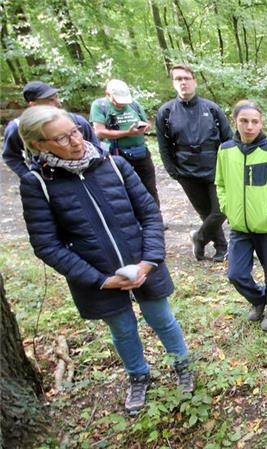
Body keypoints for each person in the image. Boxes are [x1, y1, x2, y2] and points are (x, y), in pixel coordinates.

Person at [16, 106, 193, 415]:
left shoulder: (115, 164)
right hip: (97, 275)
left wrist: (148, 261)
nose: (75, 141)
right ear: (39, 145)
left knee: (162, 318)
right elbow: (46, 244)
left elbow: (149, 215)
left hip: (142, 262)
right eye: (61, 138)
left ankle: (182, 364)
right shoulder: (38, 184)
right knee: (123, 328)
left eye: (74, 131)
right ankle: (138, 376)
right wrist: (101, 280)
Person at [216, 100, 267, 331]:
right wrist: (227, 207)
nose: (249, 126)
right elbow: (220, 184)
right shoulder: (225, 150)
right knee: (235, 273)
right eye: (244, 121)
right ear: (235, 122)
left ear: (261, 123)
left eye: (254, 122)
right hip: (239, 227)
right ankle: (259, 300)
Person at [156, 64, 233, 261]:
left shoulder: (212, 109)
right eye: (178, 79)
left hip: (216, 168)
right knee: (205, 212)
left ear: (194, 81)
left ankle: (198, 237)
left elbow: (228, 139)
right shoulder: (166, 112)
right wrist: (172, 170)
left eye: (186, 78)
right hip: (186, 171)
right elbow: (164, 145)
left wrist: (231, 165)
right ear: (173, 83)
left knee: (221, 209)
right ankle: (221, 247)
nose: (183, 82)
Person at [4, 81, 101, 178]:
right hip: (45, 181)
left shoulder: (76, 121)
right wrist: (28, 176)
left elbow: (97, 150)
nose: (58, 103)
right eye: (51, 100)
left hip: (85, 176)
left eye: (57, 97)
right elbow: (11, 156)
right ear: (33, 105)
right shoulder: (17, 128)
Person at [90, 79, 160, 206]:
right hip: (116, 154)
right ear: (107, 94)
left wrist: (144, 127)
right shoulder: (99, 106)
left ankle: (156, 219)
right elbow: (99, 132)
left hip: (141, 152)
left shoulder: (134, 105)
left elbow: (146, 122)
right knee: (123, 189)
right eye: (118, 101)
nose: (121, 104)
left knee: (149, 187)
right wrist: (127, 133)